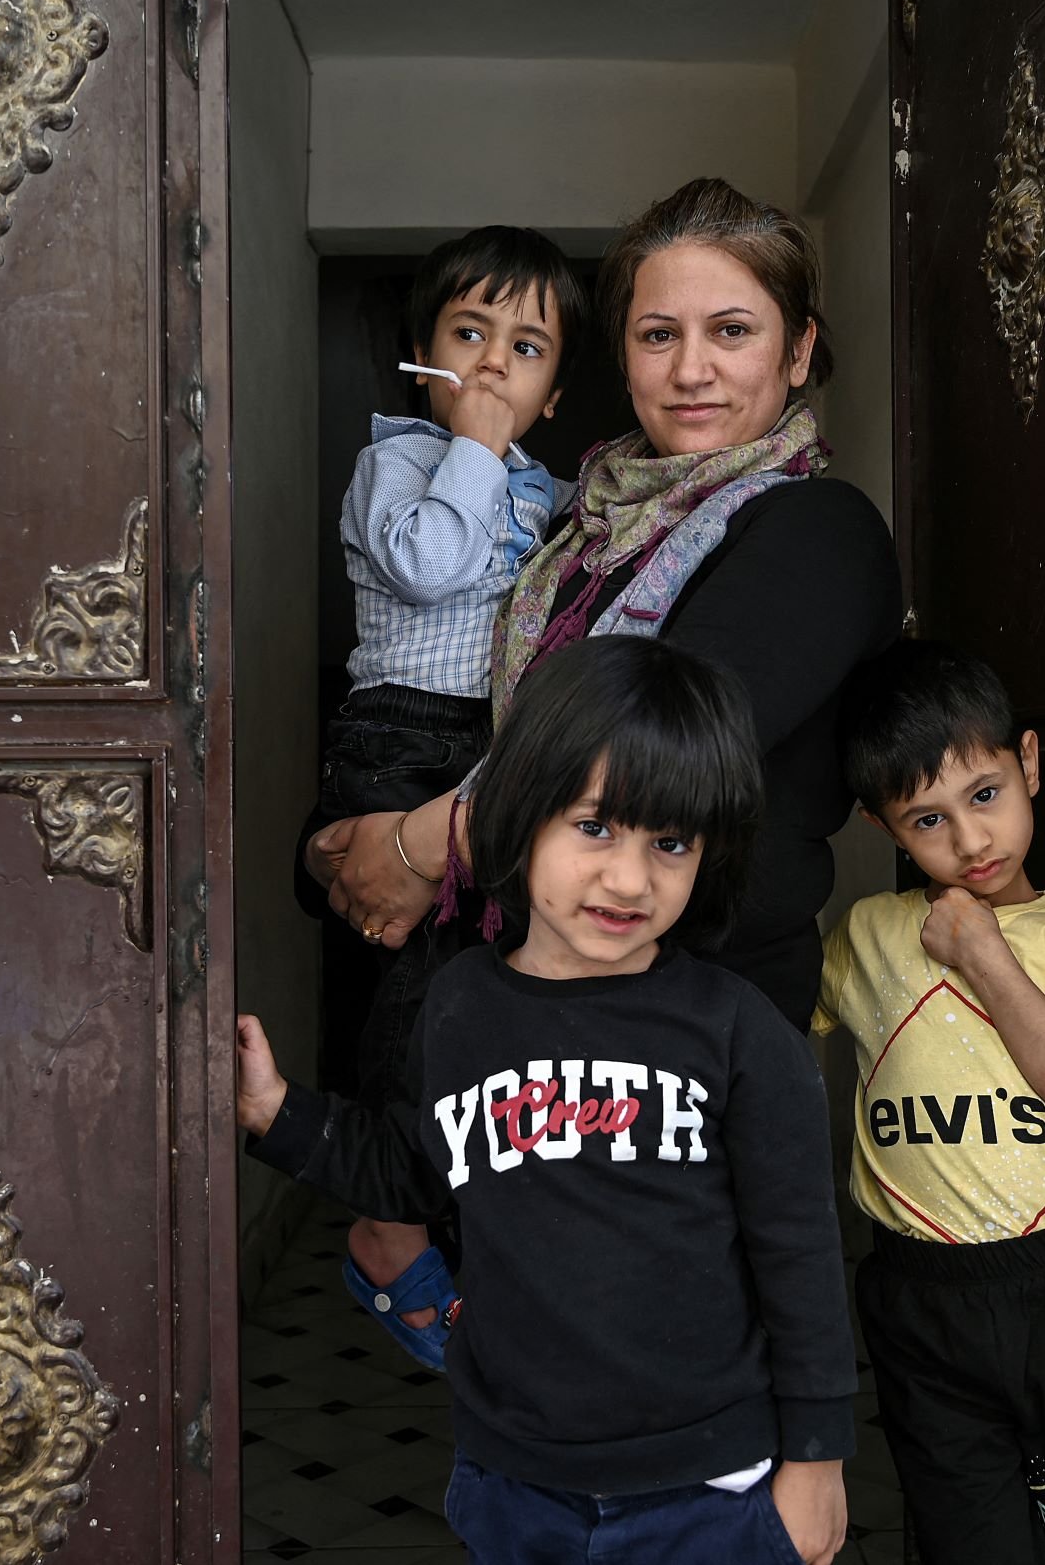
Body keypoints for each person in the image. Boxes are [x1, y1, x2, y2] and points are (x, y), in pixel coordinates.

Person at [303, 178, 903, 1367]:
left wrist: (421, 846)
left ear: (798, 355)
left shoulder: (815, 531)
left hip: (692, 1032)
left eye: (731, 332)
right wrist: (346, 844)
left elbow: (646, 751)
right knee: (541, 1402)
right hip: (532, 1016)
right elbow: (473, 723)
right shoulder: (574, 524)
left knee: (668, 1386)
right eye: (656, 332)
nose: (691, 369)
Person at [242, 637, 856, 1565]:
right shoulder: (460, 1007)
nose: (628, 878)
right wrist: (279, 1113)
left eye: (671, 842)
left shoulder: (735, 1033)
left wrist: (817, 1458)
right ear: (521, 813)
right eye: (596, 826)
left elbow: (802, 1255)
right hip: (515, 1478)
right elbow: (413, 1170)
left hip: (710, 1487)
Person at [815, 640, 1045, 1564]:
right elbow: (764, 1037)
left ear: (1030, 765)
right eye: (927, 819)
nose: (970, 841)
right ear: (885, 829)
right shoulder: (866, 936)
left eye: (984, 795)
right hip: (920, 1296)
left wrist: (986, 952)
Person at [319, 225, 585, 841]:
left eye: (527, 349)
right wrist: (475, 447)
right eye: (469, 334)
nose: (492, 361)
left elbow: (610, 521)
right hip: (400, 726)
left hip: (497, 731)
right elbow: (428, 569)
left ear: (552, 396)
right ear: (422, 355)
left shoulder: (541, 485)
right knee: (391, 897)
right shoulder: (392, 463)